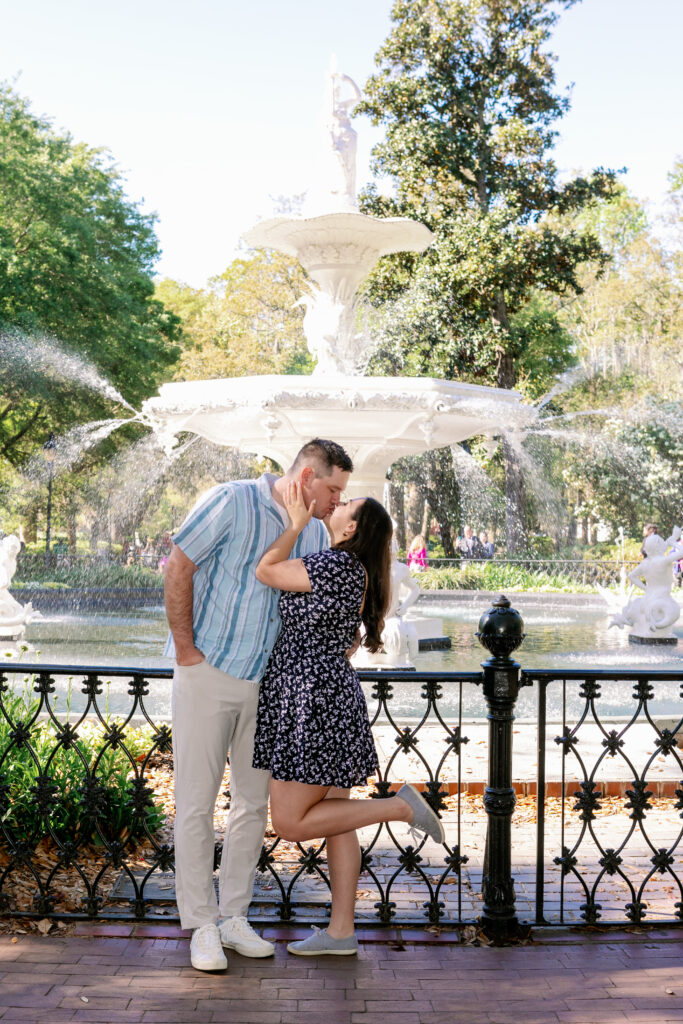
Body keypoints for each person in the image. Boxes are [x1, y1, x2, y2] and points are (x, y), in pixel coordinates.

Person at [164, 438, 353, 972]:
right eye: (333, 489)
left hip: (270, 687)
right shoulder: (231, 499)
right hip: (209, 671)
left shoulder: (315, 531)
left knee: (251, 805)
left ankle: (233, 917)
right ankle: (201, 925)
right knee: (197, 804)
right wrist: (186, 650)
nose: (338, 501)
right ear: (307, 477)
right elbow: (178, 566)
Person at [252, 484, 445, 956]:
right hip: (326, 693)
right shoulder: (355, 570)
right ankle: (341, 932)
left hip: (311, 700)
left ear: (353, 527)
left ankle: (399, 808)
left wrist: (295, 523)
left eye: (345, 506)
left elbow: (266, 570)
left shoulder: (335, 564)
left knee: (290, 822)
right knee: (337, 817)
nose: (336, 507)